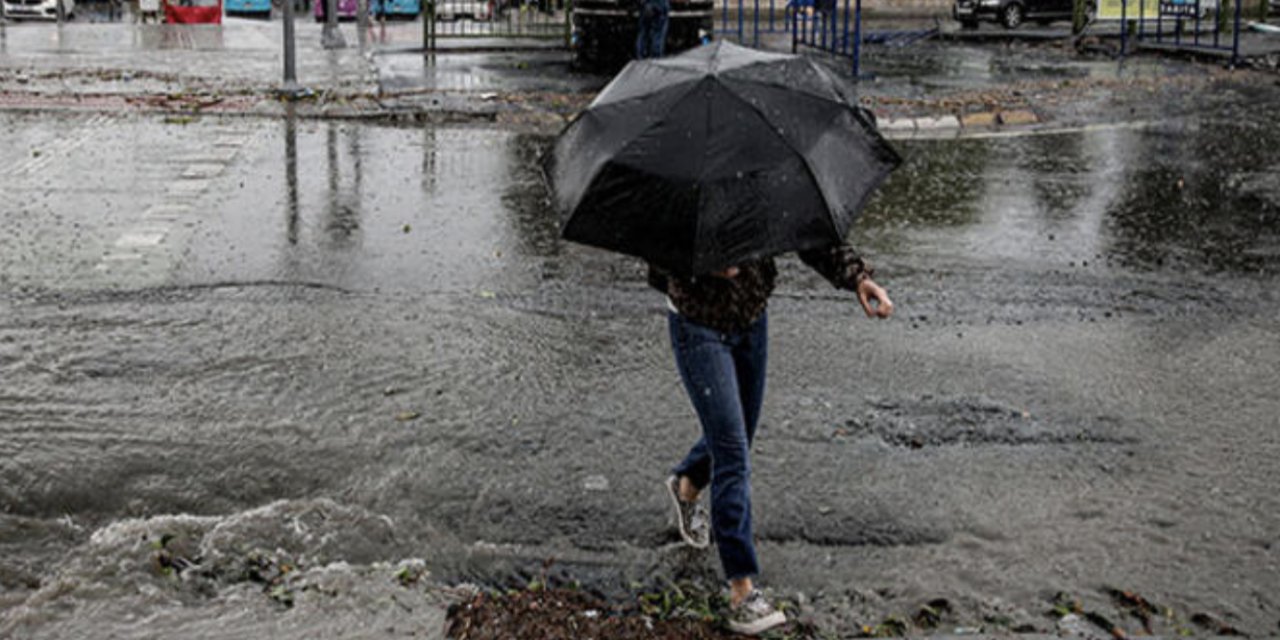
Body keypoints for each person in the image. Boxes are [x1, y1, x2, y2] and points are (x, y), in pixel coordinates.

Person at [651, 243, 893, 635]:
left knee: (740, 434)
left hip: (751, 319)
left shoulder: (760, 180)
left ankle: (689, 483)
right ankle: (741, 590)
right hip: (697, 325)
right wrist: (706, 264)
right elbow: (655, 247)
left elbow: (806, 228)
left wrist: (858, 280)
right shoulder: (676, 187)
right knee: (732, 453)